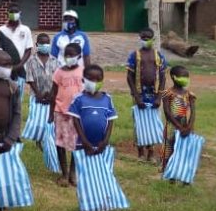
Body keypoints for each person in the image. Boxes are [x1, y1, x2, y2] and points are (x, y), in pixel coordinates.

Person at [126, 28, 168, 162]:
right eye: (143, 38)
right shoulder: (134, 55)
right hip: (139, 94)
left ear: (153, 39)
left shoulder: (159, 56)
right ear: (139, 39)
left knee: (152, 122)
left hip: (154, 94)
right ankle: (140, 153)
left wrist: (159, 97)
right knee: (139, 122)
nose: (145, 40)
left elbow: (163, 77)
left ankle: (151, 152)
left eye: (148, 38)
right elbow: (129, 77)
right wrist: (136, 96)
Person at [49, 43, 84, 186]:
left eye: (72, 55)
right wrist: (51, 113)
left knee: (77, 143)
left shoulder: (83, 72)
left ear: (79, 56)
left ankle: (73, 173)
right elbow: (53, 93)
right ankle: (64, 173)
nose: (69, 57)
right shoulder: (59, 72)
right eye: (66, 55)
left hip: (77, 114)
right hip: (61, 112)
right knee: (60, 143)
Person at [68, 64, 118, 160]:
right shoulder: (78, 99)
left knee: (100, 165)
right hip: (81, 143)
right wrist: (84, 141)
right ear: (83, 80)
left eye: (98, 79)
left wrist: (105, 141)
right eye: (91, 79)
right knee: (79, 163)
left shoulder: (107, 99)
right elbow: (75, 121)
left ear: (102, 81)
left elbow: (110, 122)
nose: (95, 82)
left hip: (101, 144)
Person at [160, 65, 196, 171]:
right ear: (173, 77)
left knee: (184, 150)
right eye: (183, 77)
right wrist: (179, 127)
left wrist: (189, 127)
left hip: (186, 127)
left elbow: (193, 112)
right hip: (172, 127)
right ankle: (168, 172)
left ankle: (182, 172)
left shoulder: (190, 95)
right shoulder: (168, 94)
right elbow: (167, 112)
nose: (186, 79)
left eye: (187, 77)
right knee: (169, 149)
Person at [0, 4, 34, 84]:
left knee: (19, 90)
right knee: (6, 90)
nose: (13, 14)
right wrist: (5, 65)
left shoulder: (26, 29)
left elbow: (28, 49)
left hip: (21, 68)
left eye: (16, 12)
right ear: (7, 14)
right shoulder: (1, 30)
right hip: (5, 68)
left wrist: (20, 65)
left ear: (20, 13)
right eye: (11, 12)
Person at [25, 33, 61, 118]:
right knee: (35, 119)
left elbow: (57, 80)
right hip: (36, 96)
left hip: (52, 96)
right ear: (37, 44)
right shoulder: (31, 61)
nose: (45, 45)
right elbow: (30, 79)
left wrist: (51, 94)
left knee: (50, 119)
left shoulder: (55, 61)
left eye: (47, 43)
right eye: (42, 43)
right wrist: (38, 94)